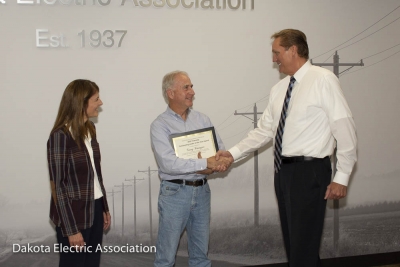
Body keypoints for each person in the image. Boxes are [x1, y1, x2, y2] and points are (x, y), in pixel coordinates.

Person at [216, 29, 357, 267]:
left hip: (310, 172)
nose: (274, 59)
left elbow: (344, 128)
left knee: (303, 247)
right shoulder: (279, 90)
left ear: (293, 49)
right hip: (284, 173)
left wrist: (341, 176)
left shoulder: (323, 79)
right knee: (296, 247)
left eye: (276, 52)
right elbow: (264, 131)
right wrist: (232, 154)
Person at [151, 71, 232, 267]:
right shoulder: (160, 125)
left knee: (201, 258)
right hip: (174, 193)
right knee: (166, 258)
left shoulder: (203, 120)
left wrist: (221, 160)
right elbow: (168, 164)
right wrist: (205, 164)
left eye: (191, 86)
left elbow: (218, 151)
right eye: (186, 87)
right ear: (171, 93)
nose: (192, 92)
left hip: (202, 191)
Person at [47, 79, 111, 267]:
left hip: (95, 209)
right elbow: (58, 187)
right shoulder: (60, 136)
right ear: (82, 103)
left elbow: (95, 174)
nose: (101, 103)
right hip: (74, 215)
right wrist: (70, 229)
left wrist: (104, 207)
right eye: (96, 99)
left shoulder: (91, 129)